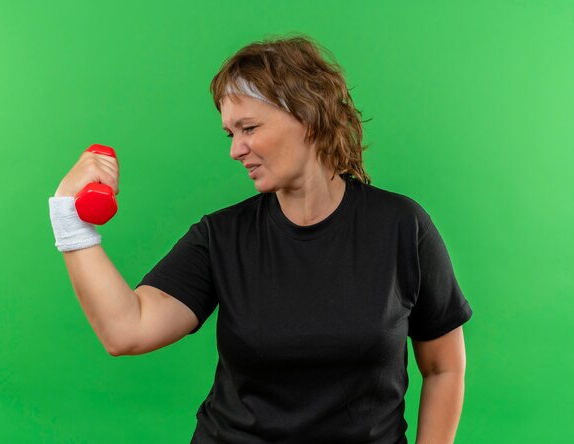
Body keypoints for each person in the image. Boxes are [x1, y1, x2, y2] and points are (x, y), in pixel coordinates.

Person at [49, 34, 473, 444]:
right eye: (230, 134)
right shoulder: (221, 237)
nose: (236, 149)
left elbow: (444, 369)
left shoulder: (402, 226)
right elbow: (127, 329)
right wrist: (69, 218)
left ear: (308, 115)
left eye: (248, 128)